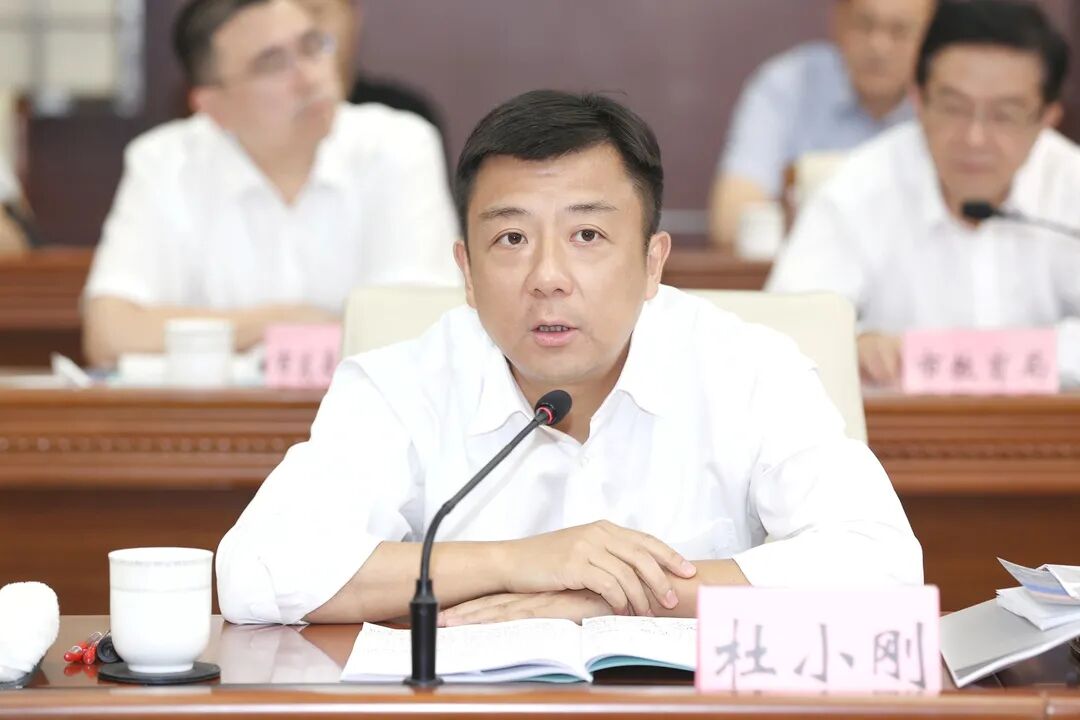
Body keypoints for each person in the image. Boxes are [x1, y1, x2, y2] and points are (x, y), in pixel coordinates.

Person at [216, 89, 922, 626]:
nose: (548, 277)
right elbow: (255, 570)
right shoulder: (401, 383)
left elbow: (885, 567)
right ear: (466, 272)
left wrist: (604, 596)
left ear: (653, 262)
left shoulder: (748, 369)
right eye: (512, 240)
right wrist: (518, 563)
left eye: (587, 236)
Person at [82, 0, 458, 368]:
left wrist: (225, 333)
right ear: (213, 106)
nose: (310, 78)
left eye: (312, 46)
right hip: (220, 411)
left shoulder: (399, 146)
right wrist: (281, 321)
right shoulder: (164, 162)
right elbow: (110, 336)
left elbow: (419, 328)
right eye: (272, 64)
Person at [767, 0, 1080, 388]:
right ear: (918, 99)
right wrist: (852, 345)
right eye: (953, 107)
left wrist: (1005, 356)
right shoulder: (858, 188)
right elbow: (788, 332)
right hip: (895, 426)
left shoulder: (1071, 186)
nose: (975, 138)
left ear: (1047, 118)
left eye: (1005, 114)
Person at [709, 0, 935, 249]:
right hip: (806, 266)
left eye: (899, 30)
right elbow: (730, 220)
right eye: (864, 24)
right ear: (838, 22)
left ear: (931, 36)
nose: (878, 46)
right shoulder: (789, 85)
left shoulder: (947, 101)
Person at [294, 0, 444, 140]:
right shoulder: (281, 120)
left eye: (315, 12)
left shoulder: (406, 118)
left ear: (354, 18)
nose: (303, 32)